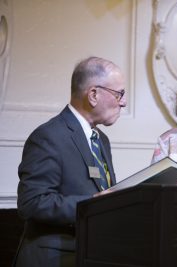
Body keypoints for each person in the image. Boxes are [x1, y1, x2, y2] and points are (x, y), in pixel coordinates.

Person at [14, 56, 127, 267]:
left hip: (91, 254)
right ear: (93, 94)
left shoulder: (101, 140)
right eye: (119, 93)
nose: (123, 101)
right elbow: (31, 203)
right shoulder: (48, 136)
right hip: (54, 259)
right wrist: (92, 204)